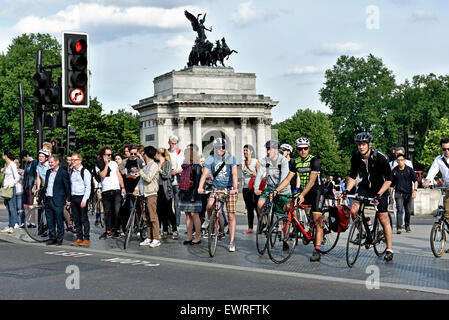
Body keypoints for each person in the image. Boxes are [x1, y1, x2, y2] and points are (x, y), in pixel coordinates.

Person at [343, 132, 393, 262]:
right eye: (359, 144)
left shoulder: (380, 157)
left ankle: (389, 249)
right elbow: (353, 176)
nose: (361, 147)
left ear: (369, 145)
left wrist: (379, 194)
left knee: (383, 218)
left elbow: (389, 180)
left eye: (364, 144)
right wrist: (347, 189)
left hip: (381, 188)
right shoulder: (355, 156)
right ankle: (364, 230)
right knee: (353, 210)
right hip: (365, 187)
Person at [275, 137, 324, 262]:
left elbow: (312, 181)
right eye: (300, 149)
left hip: (317, 191)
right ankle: (297, 228)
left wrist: (302, 195)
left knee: (316, 219)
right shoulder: (295, 162)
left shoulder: (314, 160)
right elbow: (287, 179)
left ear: (308, 148)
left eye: (305, 148)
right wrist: (277, 190)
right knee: (287, 206)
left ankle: (317, 249)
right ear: (296, 150)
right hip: (304, 191)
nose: (303, 151)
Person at [198, 138, 239, 252]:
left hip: (230, 188)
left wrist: (235, 188)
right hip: (217, 188)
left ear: (225, 148)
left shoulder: (231, 158)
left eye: (222, 147)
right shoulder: (210, 159)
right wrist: (200, 187)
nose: (220, 149)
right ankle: (210, 221)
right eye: (217, 147)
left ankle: (231, 242)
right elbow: (204, 174)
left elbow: (235, 174)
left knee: (231, 215)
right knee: (210, 205)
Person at [254, 140, 291, 223]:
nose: (268, 151)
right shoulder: (264, 160)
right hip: (270, 188)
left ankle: (286, 233)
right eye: (267, 149)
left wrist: (276, 191)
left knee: (286, 213)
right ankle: (263, 222)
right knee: (260, 204)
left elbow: (284, 178)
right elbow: (259, 174)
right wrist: (256, 188)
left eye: (270, 149)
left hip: (283, 190)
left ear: (277, 150)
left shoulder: (283, 161)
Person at [96, 146, 126, 239]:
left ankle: (117, 230)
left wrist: (123, 187)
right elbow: (103, 175)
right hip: (106, 191)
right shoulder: (98, 164)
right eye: (107, 155)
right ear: (103, 155)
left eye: (110, 155)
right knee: (107, 212)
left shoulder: (114, 164)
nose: (109, 156)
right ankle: (108, 230)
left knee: (117, 211)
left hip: (116, 190)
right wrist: (106, 164)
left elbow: (119, 175)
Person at [43, 155, 71, 245]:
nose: (50, 164)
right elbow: (46, 185)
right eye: (49, 162)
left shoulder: (63, 173)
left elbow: (67, 187)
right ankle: (52, 237)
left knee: (59, 220)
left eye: (52, 162)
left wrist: (68, 199)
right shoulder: (48, 172)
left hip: (58, 200)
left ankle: (59, 239)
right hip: (48, 198)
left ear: (57, 162)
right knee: (50, 220)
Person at [138, 146, 161, 248]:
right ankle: (149, 236)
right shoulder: (147, 165)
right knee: (145, 216)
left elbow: (148, 178)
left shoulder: (154, 165)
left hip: (151, 193)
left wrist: (140, 172)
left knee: (152, 216)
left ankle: (156, 238)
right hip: (144, 193)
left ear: (145, 154)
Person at [179, 145, 203, 245]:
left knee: (194, 214)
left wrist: (194, 195)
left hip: (193, 192)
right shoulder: (185, 166)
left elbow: (197, 181)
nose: (184, 156)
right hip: (185, 192)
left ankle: (197, 236)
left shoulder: (196, 166)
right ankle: (189, 237)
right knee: (187, 215)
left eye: (186, 154)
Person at [423, 138, 449, 224]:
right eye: (444, 149)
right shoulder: (439, 159)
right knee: (447, 213)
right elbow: (433, 171)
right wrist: (427, 181)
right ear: (441, 148)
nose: (447, 151)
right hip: (447, 187)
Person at [390, 153, 418, 234]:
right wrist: (391, 195)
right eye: (398, 160)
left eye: (401, 160)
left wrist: (415, 190)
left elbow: (415, 180)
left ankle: (407, 225)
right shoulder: (394, 170)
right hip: (398, 193)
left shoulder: (409, 170)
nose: (400, 162)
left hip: (408, 193)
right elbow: (391, 184)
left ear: (404, 161)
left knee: (408, 211)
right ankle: (399, 227)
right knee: (399, 210)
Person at [69, 153, 92, 247]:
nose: (72, 162)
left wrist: (84, 199)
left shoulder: (85, 172)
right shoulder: (72, 171)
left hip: (82, 197)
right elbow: (70, 185)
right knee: (76, 219)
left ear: (79, 161)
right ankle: (79, 237)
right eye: (72, 160)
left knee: (84, 218)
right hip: (74, 197)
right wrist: (69, 198)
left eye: (74, 160)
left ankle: (86, 238)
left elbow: (88, 187)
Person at [156, 147, 178, 240]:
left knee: (169, 210)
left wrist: (159, 170)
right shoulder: (156, 163)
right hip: (158, 189)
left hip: (166, 190)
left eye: (156, 153)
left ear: (159, 154)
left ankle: (174, 230)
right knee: (161, 211)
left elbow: (166, 175)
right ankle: (165, 230)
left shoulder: (167, 163)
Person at [242, 144, 259, 234]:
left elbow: (261, 175)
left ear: (251, 151)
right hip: (245, 188)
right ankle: (250, 227)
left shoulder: (255, 162)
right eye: (244, 150)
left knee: (257, 207)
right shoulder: (243, 163)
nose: (245, 152)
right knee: (249, 208)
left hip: (254, 188)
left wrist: (251, 172)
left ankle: (261, 226)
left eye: (246, 150)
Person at [1, 150, 20, 233]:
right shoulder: (6, 165)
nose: (2, 155)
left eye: (3, 154)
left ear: (5, 155)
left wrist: (11, 185)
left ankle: (12, 226)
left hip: (10, 188)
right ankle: (10, 225)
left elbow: (17, 178)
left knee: (12, 208)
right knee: (8, 208)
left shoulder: (12, 164)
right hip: (5, 189)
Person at [168, 136, 184, 227]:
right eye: (172, 143)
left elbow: (183, 167)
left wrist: (176, 171)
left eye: (175, 143)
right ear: (169, 142)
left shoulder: (180, 152)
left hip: (177, 180)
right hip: (168, 181)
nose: (173, 145)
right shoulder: (166, 152)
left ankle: (176, 225)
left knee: (177, 205)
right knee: (168, 205)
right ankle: (171, 223)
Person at [20, 150, 38, 228]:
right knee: (25, 205)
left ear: (27, 156)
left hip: (31, 186)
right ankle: (27, 222)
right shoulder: (28, 164)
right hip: (26, 186)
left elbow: (35, 175)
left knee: (31, 205)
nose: (24, 160)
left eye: (24, 158)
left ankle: (33, 222)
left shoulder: (34, 162)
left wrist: (35, 186)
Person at [14, 159, 25, 227]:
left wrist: (20, 175)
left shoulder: (22, 171)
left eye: (17, 163)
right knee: (14, 208)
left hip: (20, 191)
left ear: (19, 164)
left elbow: (22, 181)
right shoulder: (11, 171)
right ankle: (16, 222)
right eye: (14, 163)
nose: (16, 164)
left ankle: (23, 222)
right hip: (12, 192)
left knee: (20, 208)